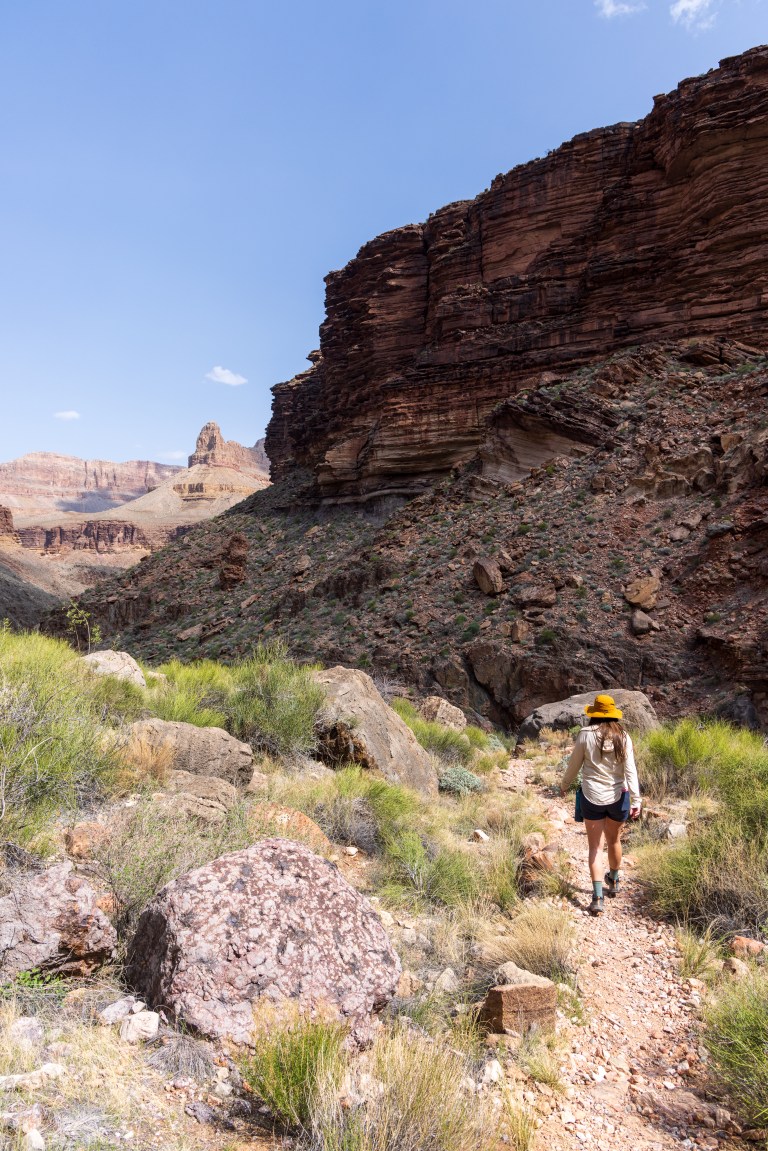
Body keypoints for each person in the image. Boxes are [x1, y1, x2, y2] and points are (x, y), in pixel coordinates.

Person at [559, 694, 641, 916]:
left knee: (595, 847)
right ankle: (613, 881)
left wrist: (564, 785)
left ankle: (597, 898)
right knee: (614, 840)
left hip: (591, 796)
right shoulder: (623, 736)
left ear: (594, 714)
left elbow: (574, 765)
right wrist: (637, 799)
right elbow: (630, 771)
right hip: (618, 796)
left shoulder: (585, 735)